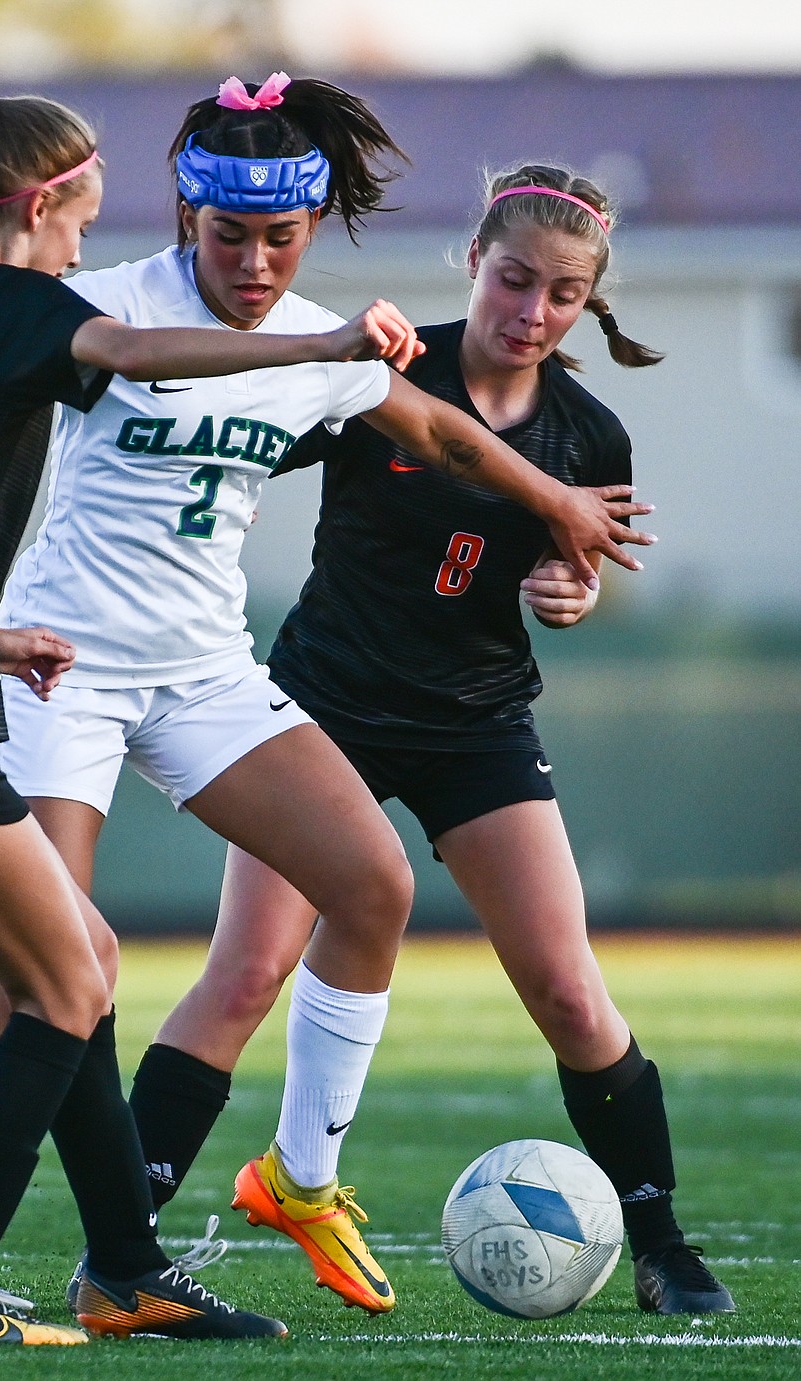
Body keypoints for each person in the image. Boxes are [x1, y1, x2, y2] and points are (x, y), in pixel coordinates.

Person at [0, 77, 653, 1321]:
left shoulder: (322, 341)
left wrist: (556, 503)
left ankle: (295, 1184)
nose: (254, 262)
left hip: (204, 671)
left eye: (279, 240)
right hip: (61, 664)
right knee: (41, 968)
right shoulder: (100, 301)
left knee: (373, 885)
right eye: (228, 234)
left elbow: (447, 436)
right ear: (184, 216)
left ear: (310, 234)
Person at [0, 76, 433, 1347]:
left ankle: (120, 1266)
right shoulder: (30, 307)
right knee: (64, 983)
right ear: (43, 202)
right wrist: (319, 345)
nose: (87, 253)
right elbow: (131, 351)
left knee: (77, 969)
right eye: (83, 219)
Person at [142, 164, 733, 1317]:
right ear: (474, 259)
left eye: (563, 295)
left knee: (568, 989)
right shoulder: (386, 369)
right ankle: (128, 1238)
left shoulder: (588, 430)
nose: (532, 310)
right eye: (515, 279)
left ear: (584, 303)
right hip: (321, 713)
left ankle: (662, 1241)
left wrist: (573, 595)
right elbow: (245, 433)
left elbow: (575, 571)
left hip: (476, 722)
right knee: (248, 969)